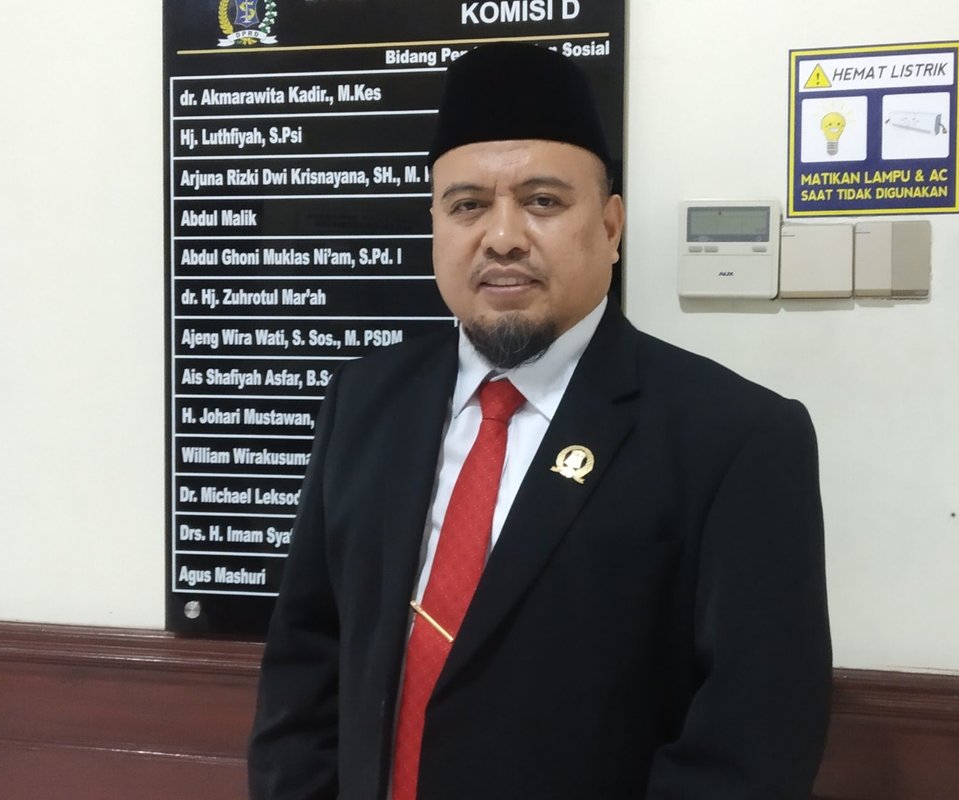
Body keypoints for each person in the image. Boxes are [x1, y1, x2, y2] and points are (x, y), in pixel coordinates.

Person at [248, 42, 831, 800]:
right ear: (435, 225)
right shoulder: (366, 403)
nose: (502, 237)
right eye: (467, 205)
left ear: (612, 227)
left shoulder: (734, 439)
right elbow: (307, 665)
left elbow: (749, 747)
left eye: (543, 201)